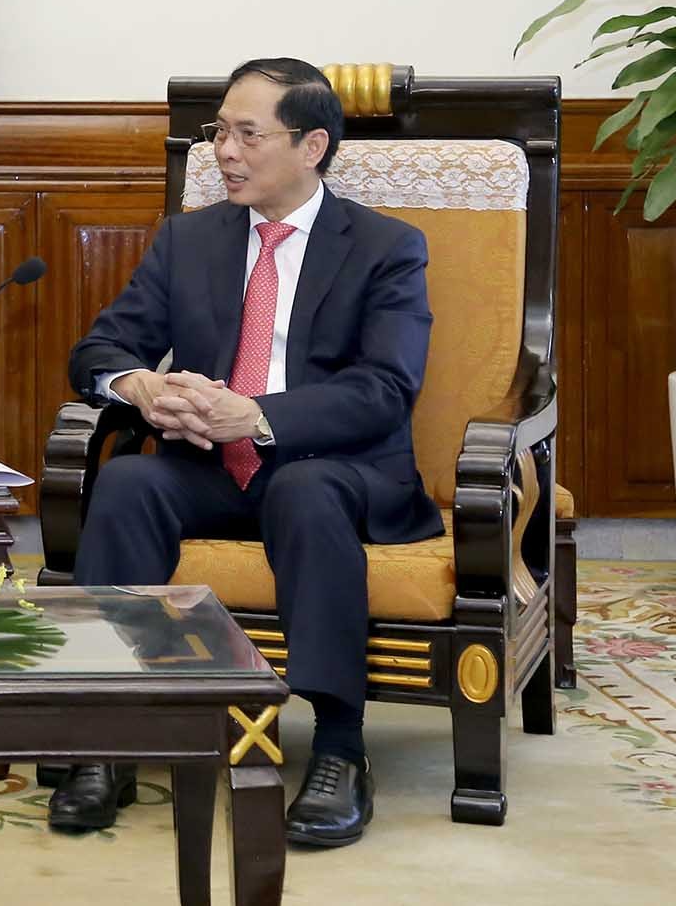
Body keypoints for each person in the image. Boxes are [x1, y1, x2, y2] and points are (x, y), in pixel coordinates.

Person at [49, 58, 439, 848]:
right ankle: (110, 735)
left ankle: (337, 745)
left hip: (336, 471)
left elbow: (385, 389)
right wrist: (140, 388)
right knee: (127, 482)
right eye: (219, 131)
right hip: (209, 473)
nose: (224, 151)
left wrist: (254, 416)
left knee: (304, 493)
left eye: (247, 134)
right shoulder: (189, 239)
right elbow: (101, 345)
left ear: (312, 145)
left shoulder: (386, 246)